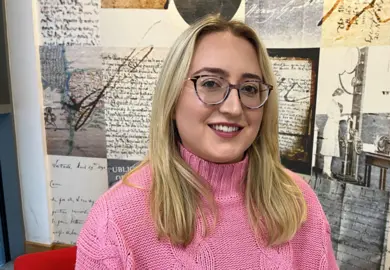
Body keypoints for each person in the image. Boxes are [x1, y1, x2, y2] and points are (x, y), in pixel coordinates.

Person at [75, 14, 338, 269]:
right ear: (172, 95)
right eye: (211, 83)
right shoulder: (116, 218)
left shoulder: (299, 202)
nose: (234, 108)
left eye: (249, 88)